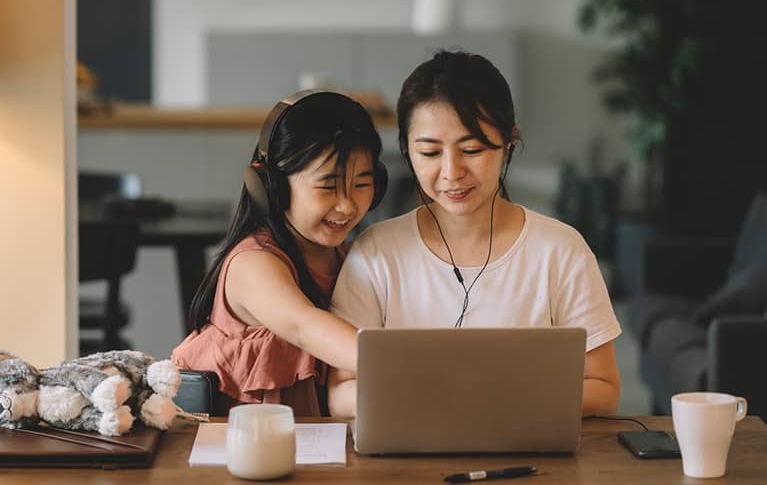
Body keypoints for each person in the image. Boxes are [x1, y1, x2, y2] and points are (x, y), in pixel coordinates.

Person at [328, 51, 621, 418]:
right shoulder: (376, 253)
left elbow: (604, 387)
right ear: (406, 151)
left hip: (531, 462)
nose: (452, 172)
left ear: (509, 141)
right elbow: (340, 392)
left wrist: (496, 403)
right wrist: (439, 401)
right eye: (430, 152)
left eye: (471, 149)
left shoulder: (562, 251)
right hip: (403, 465)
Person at [172, 90, 387, 417]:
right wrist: (405, 366)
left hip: (313, 441)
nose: (346, 205)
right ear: (273, 186)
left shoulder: (344, 255)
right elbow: (305, 326)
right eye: (328, 187)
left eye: (361, 185)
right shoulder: (253, 263)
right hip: (240, 447)